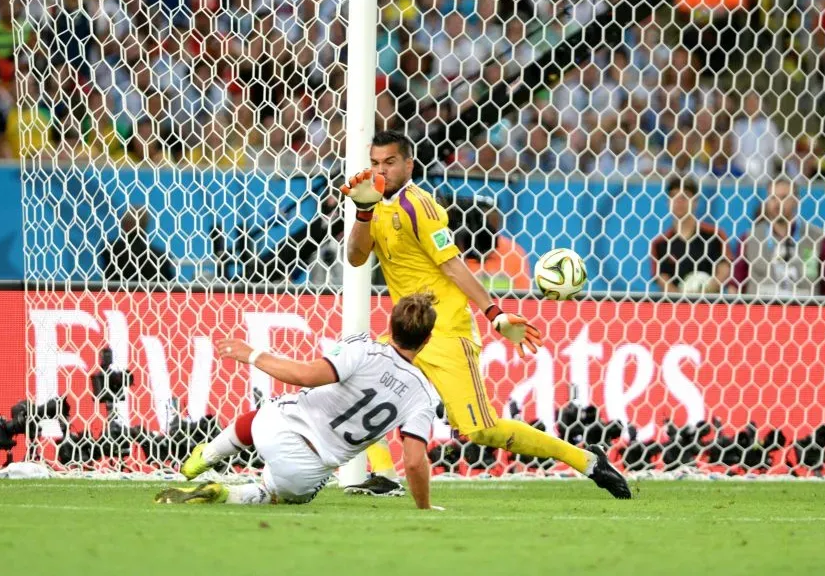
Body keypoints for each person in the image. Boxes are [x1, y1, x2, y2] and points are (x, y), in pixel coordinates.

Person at [338, 130, 630, 499]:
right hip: (408, 329)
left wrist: (495, 314)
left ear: (408, 164)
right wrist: (363, 211)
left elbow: (453, 266)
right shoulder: (373, 202)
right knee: (353, 383)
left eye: (390, 162)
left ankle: (587, 461)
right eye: (376, 163)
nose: (382, 170)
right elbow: (356, 257)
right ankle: (383, 474)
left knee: (480, 430)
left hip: (444, 328)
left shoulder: (421, 206)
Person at [157, 294, 441, 509]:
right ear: (427, 340)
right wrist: (424, 507)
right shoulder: (423, 394)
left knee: (260, 415)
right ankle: (224, 494)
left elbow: (305, 376)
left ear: (389, 326)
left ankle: (207, 455)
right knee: (275, 495)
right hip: (307, 467)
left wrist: (253, 355)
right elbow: (414, 462)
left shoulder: (362, 348)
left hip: (275, 427)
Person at [732, 175, 825, 297]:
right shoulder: (749, 238)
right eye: (773, 198)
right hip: (761, 312)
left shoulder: (818, 238)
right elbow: (735, 284)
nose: (777, 203)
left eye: (784, 197)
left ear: (796, 199)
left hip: (804, 312)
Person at [650, 176, 732, 294]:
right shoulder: (660, 243)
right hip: (677, 308)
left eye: (685, 196)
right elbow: (663, 280)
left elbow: (724, 270)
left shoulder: (715, 235)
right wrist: (684, 300)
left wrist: (704, 291)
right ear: (668, 202)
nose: (679, 201)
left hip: (709, 305)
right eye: (674, 196)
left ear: (696, 202)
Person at [442, 193, 532, 294]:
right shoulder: (452, 251)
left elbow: (523, 297)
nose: (488, 224)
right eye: (480, 218)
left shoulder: (514, 252)